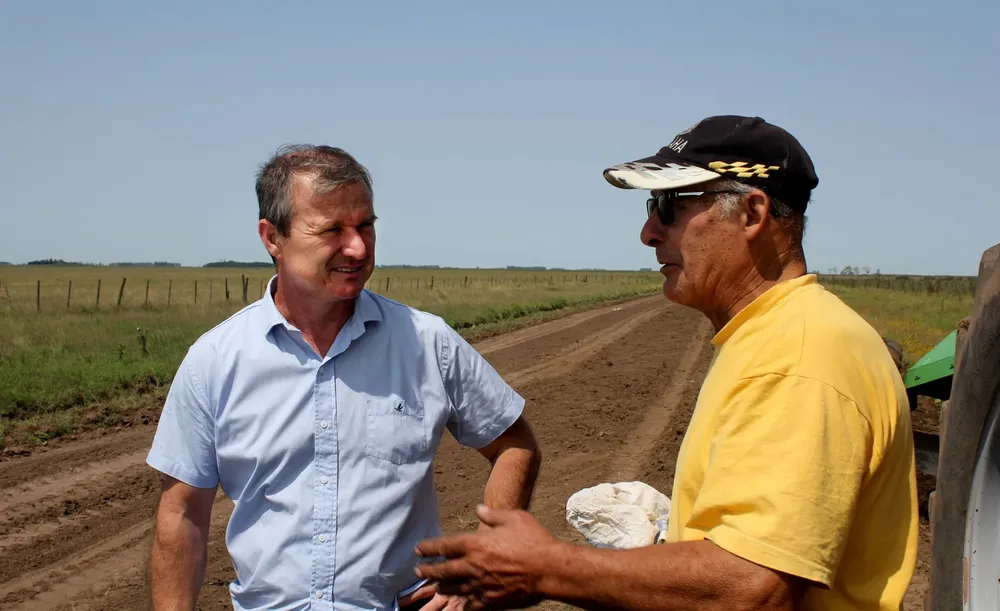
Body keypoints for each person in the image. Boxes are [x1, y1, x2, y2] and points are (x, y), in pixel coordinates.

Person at [412, 115, 919, 610]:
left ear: (752, 213)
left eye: (670, 205)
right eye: (652, 206)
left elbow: (752, 588)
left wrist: (547, 568)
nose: (648, 232)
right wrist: (674, 538)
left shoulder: (796, 360)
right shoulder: (773, 337)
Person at [145, 144, 541, 611]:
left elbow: (514, 445)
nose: (357, 248)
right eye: (332, 229)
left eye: (365, 226)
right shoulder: (215, 360)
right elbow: (183, 513)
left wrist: (481, 566)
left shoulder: (426, 342)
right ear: (272, 237)